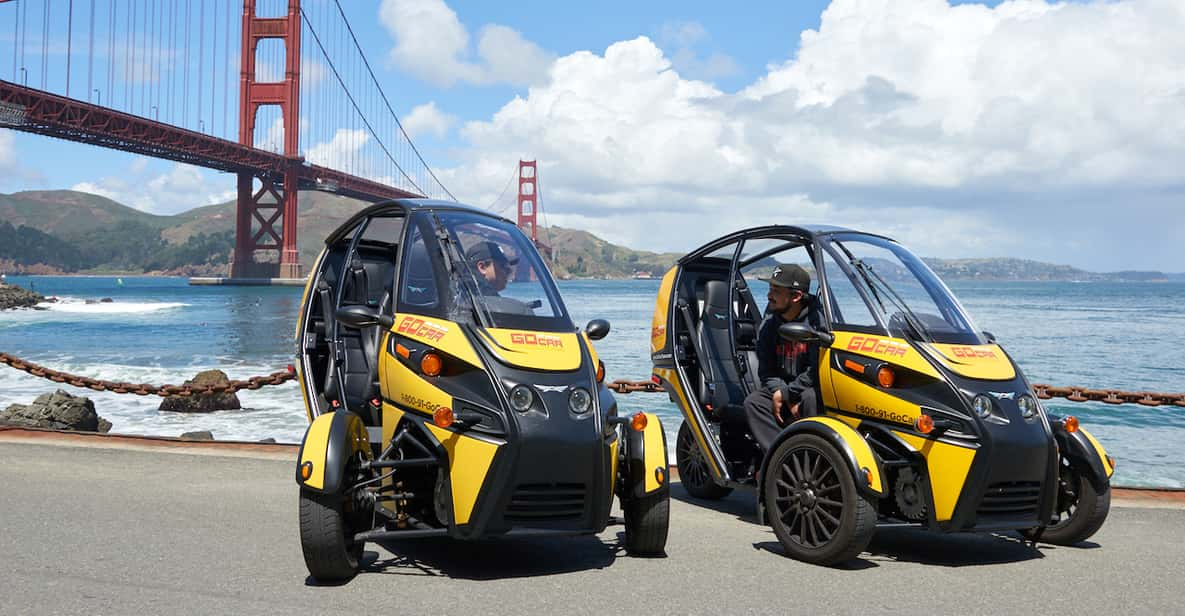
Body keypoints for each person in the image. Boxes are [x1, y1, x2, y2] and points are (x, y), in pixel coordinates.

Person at [742, 263, 822, 454]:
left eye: (776, 291)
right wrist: (780, 391)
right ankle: (780, 458)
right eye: (770, 289)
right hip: (782, 386)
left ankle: (814, 456)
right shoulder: (769, 324)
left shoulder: (818, 321)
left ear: (795, 296)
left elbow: (817, 369)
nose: (769, 296)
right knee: (754, 402)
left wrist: (789, 393)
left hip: (809, 387)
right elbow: (766, 370)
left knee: (811, 397)